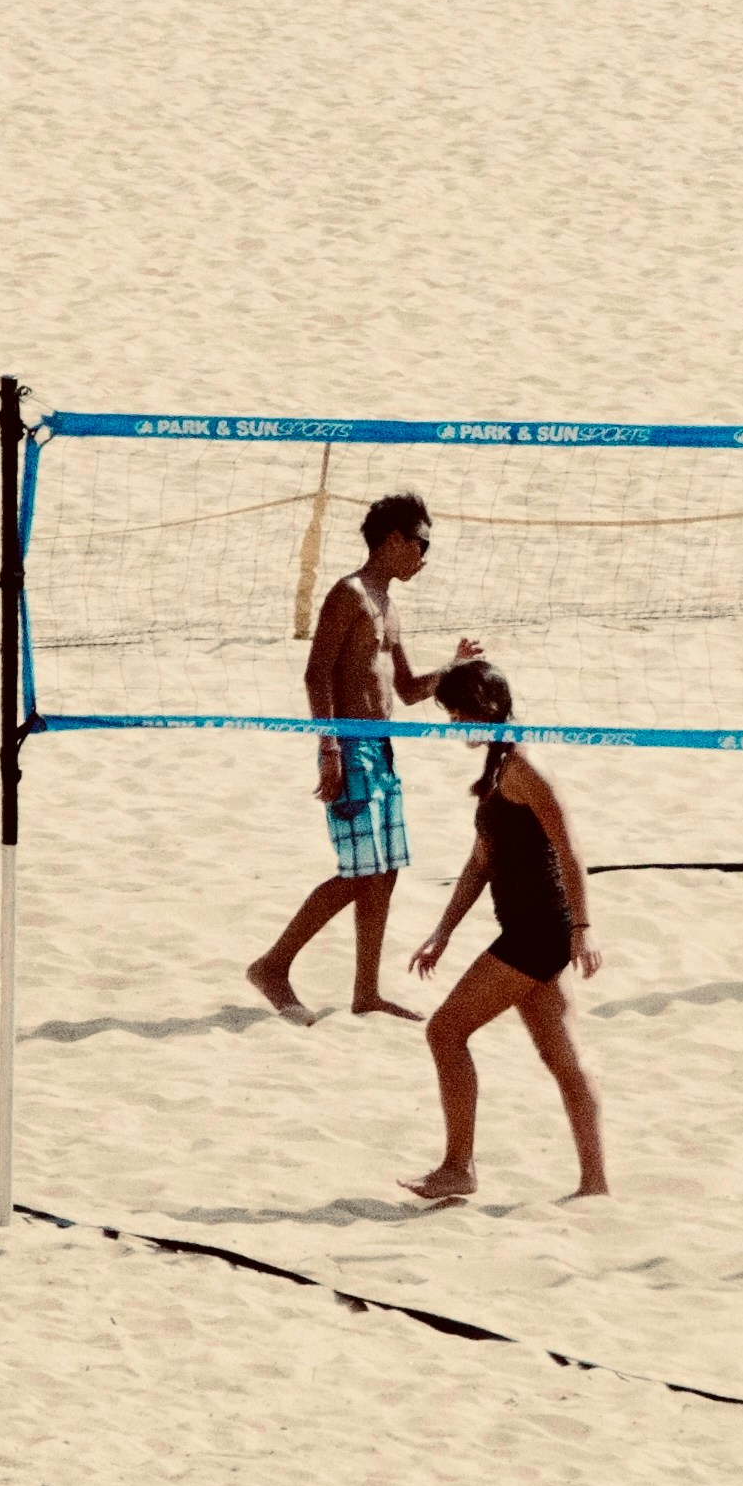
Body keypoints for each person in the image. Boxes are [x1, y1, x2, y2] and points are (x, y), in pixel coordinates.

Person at [247, 494, 475, 1024]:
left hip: (382, 750)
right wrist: (328, 748)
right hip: (348, 746)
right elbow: (315, 673)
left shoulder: (388, 605)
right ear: (394, 540)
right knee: (359, 872)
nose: (425, 555)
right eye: (421, 543)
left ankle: (366, 993)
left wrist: (456, 667)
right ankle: (272, 965)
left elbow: (413, 689)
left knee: (386, 870)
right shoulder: (349, 595)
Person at [403, 660, 607, 1203]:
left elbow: (571, 849)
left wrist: (582, 929)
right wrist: (442, 932)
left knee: (444, 1032)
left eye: (456, 714)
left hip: (538, 933)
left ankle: (458, 1168)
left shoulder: (523, 767)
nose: (452, 725)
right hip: (526, 927)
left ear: (485, 710)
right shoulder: (496, 767)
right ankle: (595, 1185)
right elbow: (481, 861)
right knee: (564, 1059)